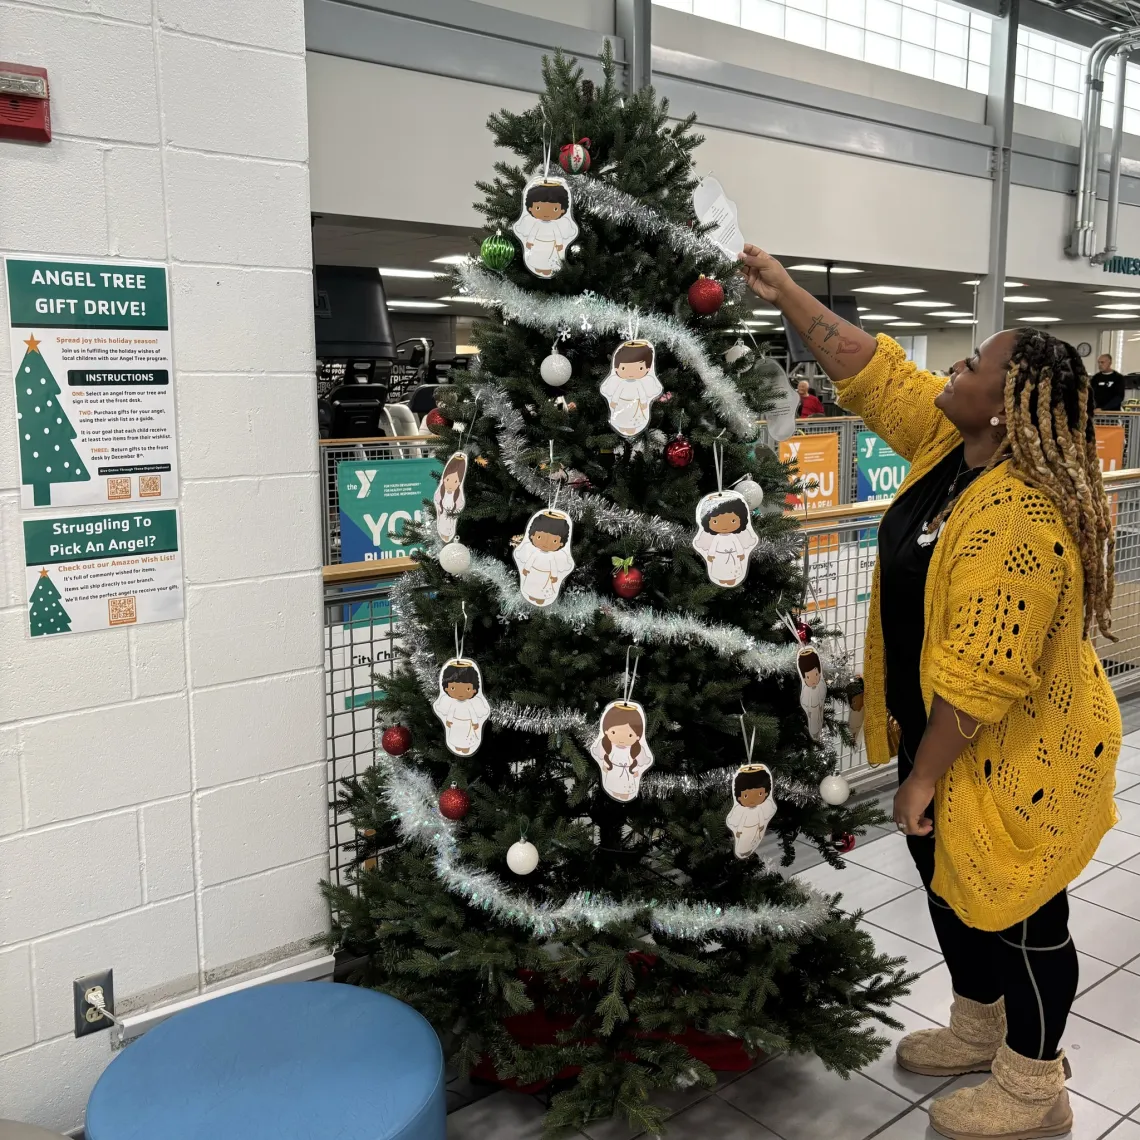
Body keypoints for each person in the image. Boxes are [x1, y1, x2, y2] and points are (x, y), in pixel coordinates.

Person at [740, 244, 1120, 1140]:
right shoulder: (955, 449)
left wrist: (919, 776)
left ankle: (1037, 1088)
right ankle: (978, 1028)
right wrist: (786, 291)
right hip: (939, 730)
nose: (956, 366)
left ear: (1011, 402)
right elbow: (875, 371)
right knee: (951, 887)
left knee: (1024, 911)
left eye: (976, 362)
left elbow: (981, 683)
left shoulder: (1022, 511)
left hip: (1014, 750)